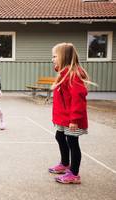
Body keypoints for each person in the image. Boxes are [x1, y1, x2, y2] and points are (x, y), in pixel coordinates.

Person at [48, 42, 95, 184]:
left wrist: (74, 119)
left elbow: (77, 99)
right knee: (59, 137)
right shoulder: (63, 73)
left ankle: (74, 174)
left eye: (55, 56)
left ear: (64, 57)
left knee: (72, 143)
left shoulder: (73, 75)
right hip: (63, 118)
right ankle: (64, 163)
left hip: (72, 119)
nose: (53, 59)